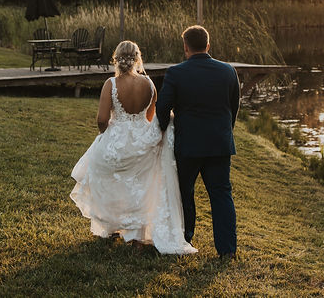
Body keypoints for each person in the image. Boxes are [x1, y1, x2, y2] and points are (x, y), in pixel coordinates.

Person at [70, 40, 196, 255]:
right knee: (140, 185)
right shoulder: (149, 84)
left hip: (116, 139)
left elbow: (101, 120)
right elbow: (149, 117)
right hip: (142, 141)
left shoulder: (111, 83)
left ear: (116, 59)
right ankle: (137, 236)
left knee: (108, 180)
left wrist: (109, 130)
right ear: (138, 58)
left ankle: (110, 228)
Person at [156, 25, 241, 258]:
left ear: (185, 47)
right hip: (219, 143)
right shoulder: (228, 71)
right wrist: (225, 131)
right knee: (222, 194)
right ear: (208, 45)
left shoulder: (176, 73)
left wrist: (163, 129)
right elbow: (233, 106)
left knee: (185, 192)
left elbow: (162, 106)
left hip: (189, 145)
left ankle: (185, 239)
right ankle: (227, 251)